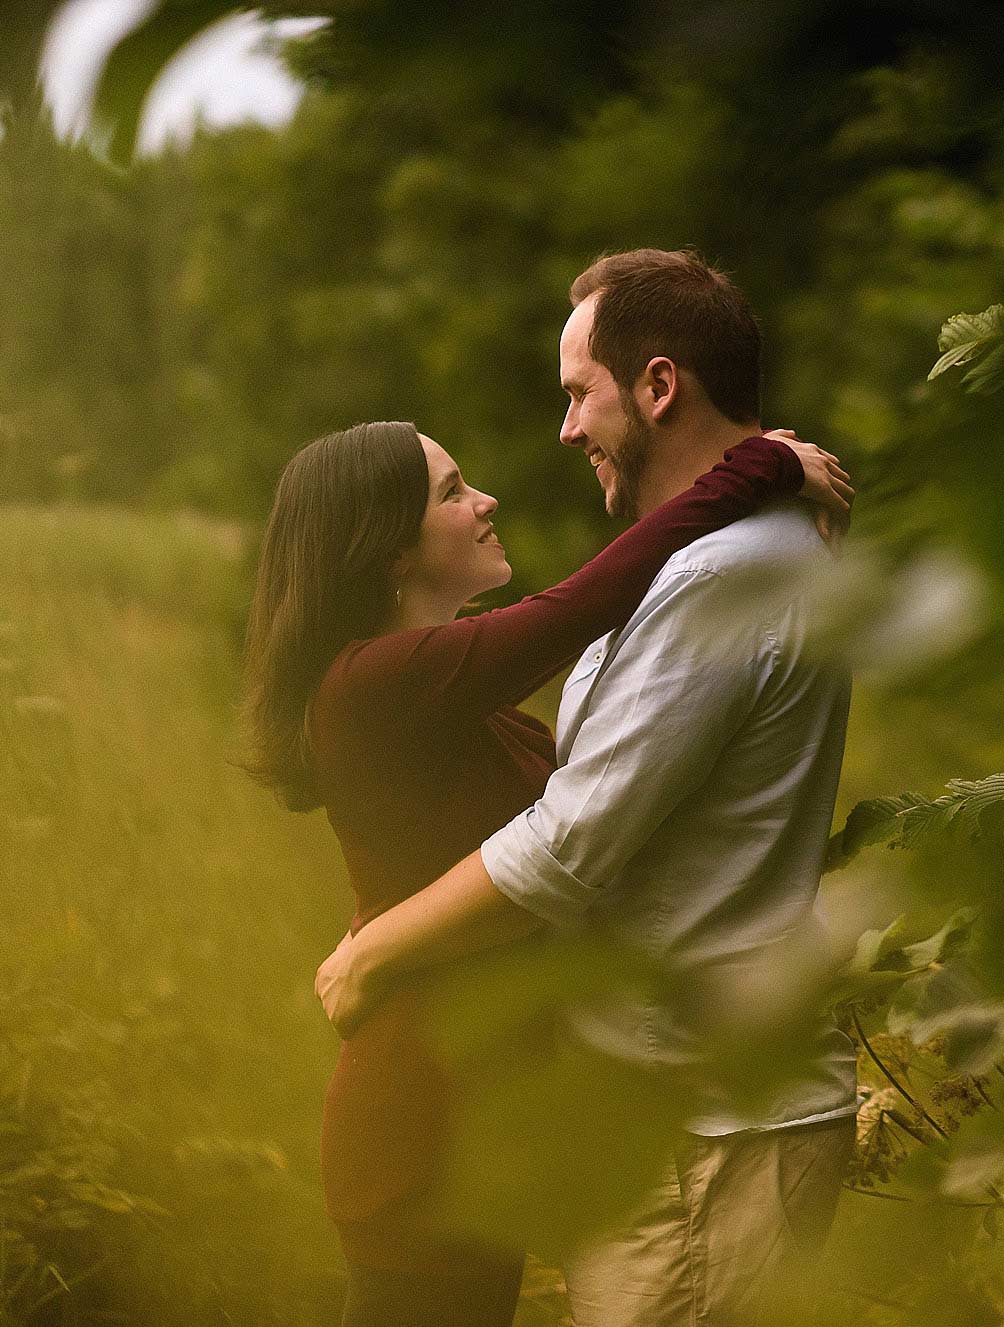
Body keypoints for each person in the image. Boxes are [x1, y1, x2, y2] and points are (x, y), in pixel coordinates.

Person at [312, 248, 864, 1327]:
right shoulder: (703, 564)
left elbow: (568, 844)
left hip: (706, 1122)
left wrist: (372, 947)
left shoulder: (721, 576)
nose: (563, 431)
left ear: (660, 387)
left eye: (578, 393)